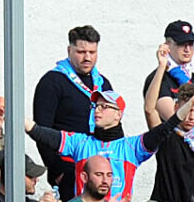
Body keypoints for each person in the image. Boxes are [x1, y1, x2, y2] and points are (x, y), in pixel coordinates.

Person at [31, 25, 125, 190]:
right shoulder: (52, 82)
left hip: (100, 170)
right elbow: (42, 131)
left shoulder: (102, 83)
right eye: (81, 52)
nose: (87, 57)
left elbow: (113, 125)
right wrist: (57, 171)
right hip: (69, 167)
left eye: (92, 52)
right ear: (69, 50)